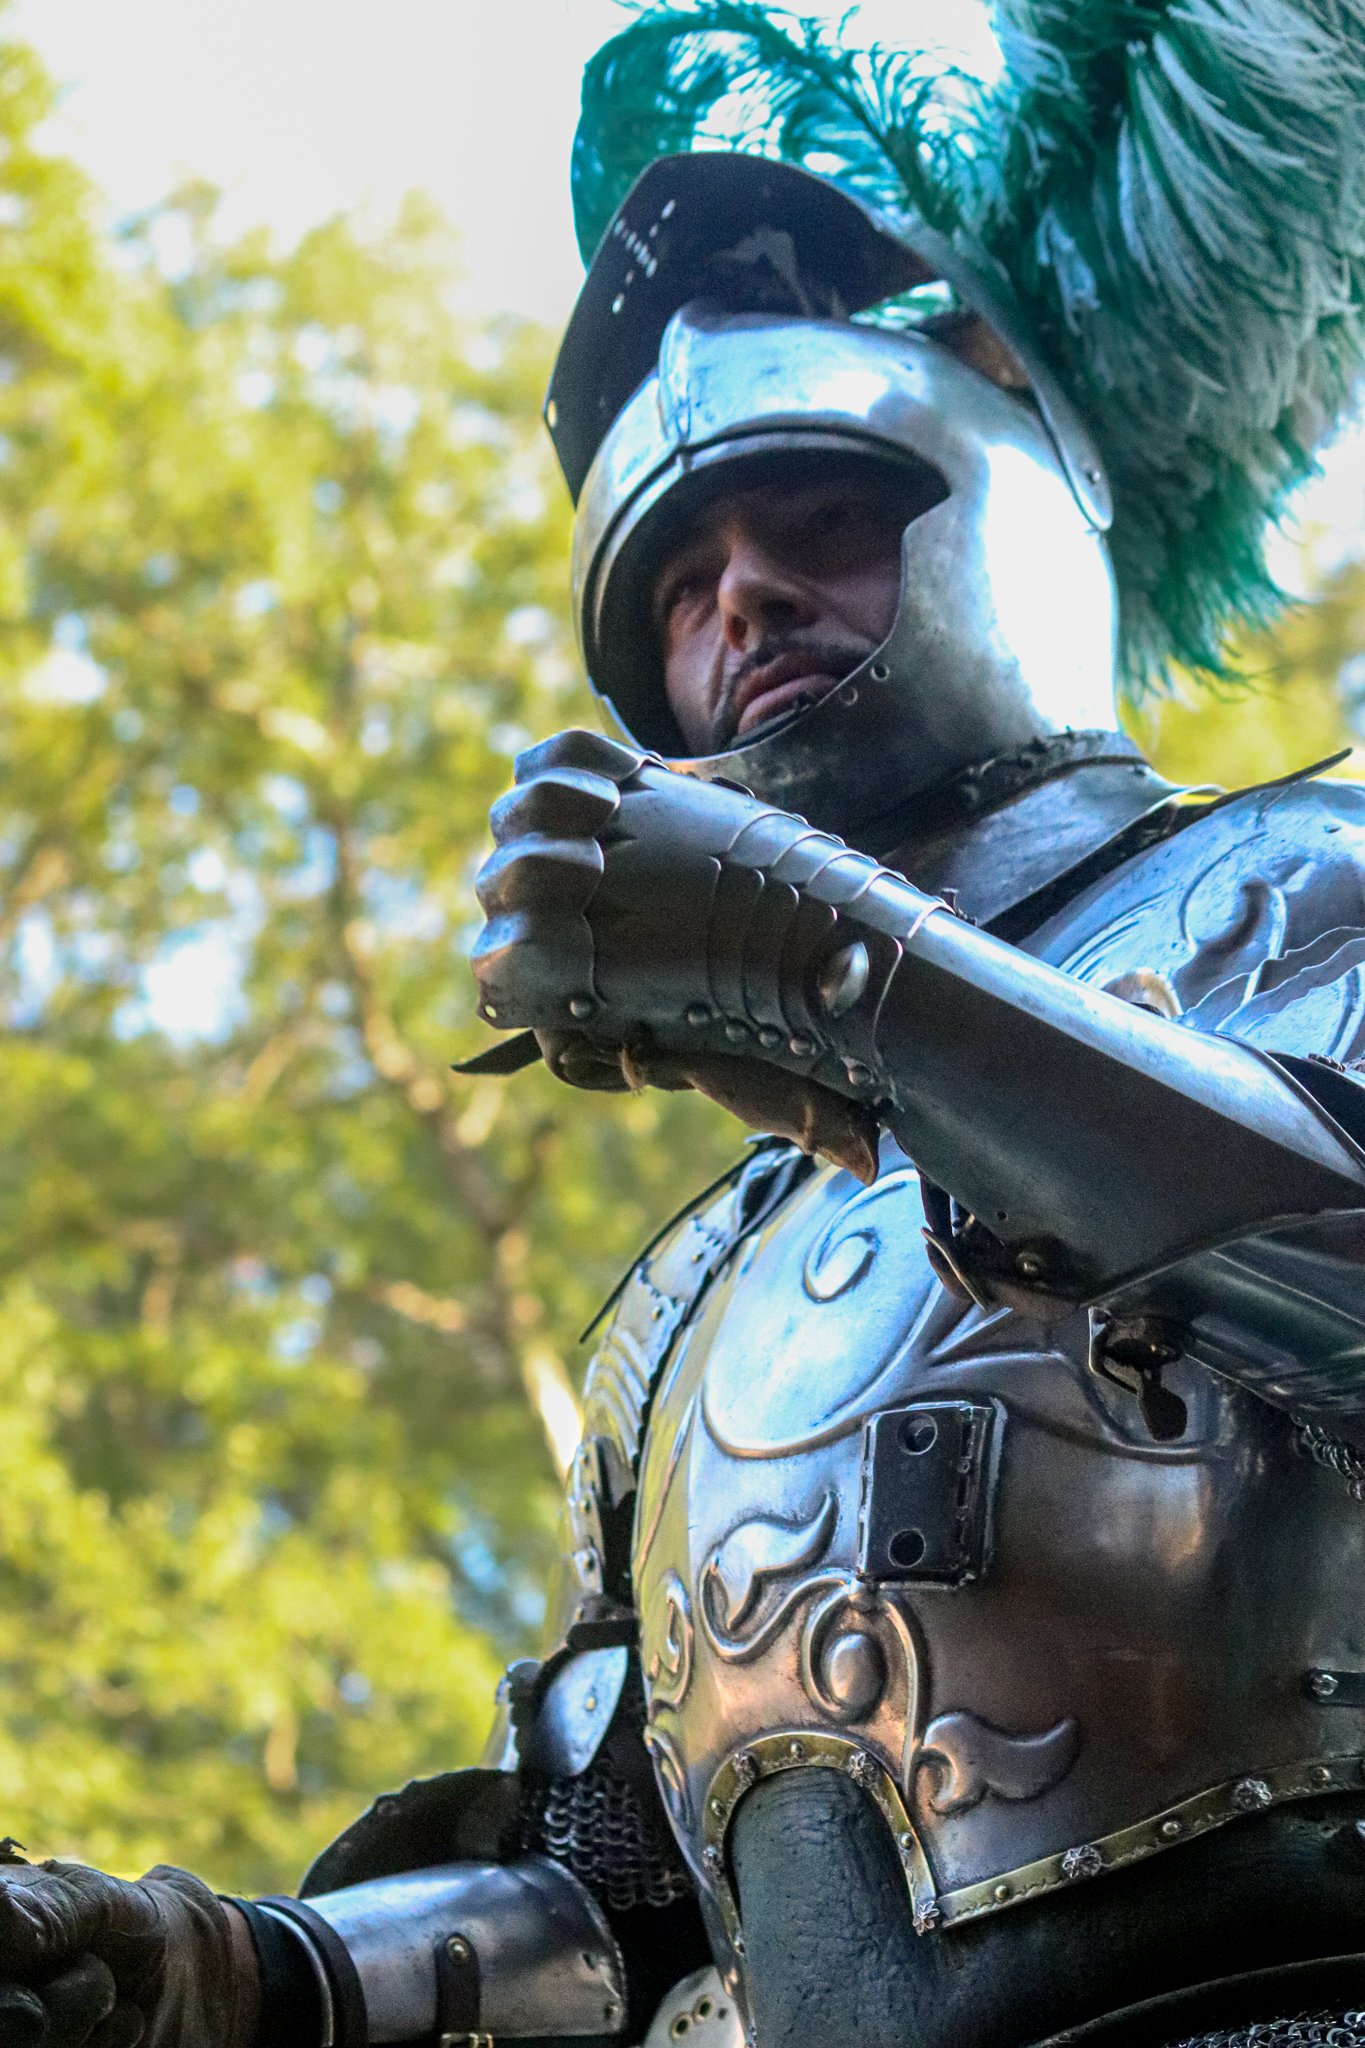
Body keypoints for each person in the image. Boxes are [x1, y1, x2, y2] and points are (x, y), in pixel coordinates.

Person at [9, 3, 1365, 2043]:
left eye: (820, 512)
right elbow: (628, 1900)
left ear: (1012, 501)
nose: (738, 597)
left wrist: (846, 974)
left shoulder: (1313, 866)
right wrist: (248, 1972)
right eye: (677, 582)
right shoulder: (688, 1302)